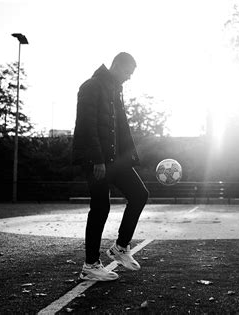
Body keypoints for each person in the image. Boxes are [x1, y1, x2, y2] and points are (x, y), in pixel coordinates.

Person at [72, 52, 149, 281]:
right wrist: (97, 159)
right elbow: (88, 125)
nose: (129, 77)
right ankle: (90, 265)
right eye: (128, 72)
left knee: (139, 194)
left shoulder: (115, 90)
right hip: (96, 160)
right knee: (100, 208)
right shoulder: (91, 86)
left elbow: (119, 128)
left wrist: (130, 156)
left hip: (114, 159)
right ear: (116, 66)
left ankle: (120, 247)